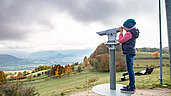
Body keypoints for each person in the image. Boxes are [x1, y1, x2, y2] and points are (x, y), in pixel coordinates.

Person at [118, 19, 139, 94]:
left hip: (129, 53)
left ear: (128, 27)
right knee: (130, 70)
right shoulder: (133, 32)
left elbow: (121, 40)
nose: (124, 28)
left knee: (130, 70)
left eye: (124, 27)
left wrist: (121, 33)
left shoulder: (129, 33)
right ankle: (131, 85)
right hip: (130, 53)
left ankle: (131, 87)